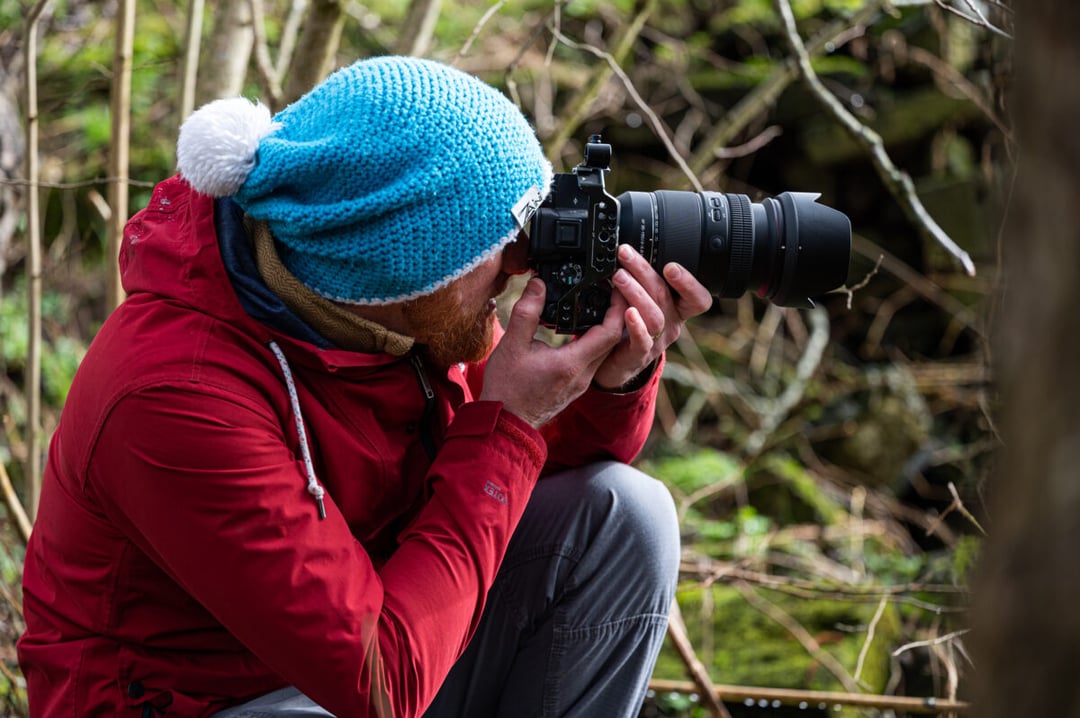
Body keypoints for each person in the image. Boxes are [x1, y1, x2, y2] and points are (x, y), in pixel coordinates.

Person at [16, 56, 713, 717]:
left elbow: (522, 481)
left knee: (622, 514)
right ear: (395, 263)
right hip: (220, 701)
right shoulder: (175, 396)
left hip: (375, 651)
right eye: (498, 243)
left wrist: (613, 383)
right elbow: (382, 684)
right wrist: (508, 425)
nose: (518, 263)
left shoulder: (404, 315)